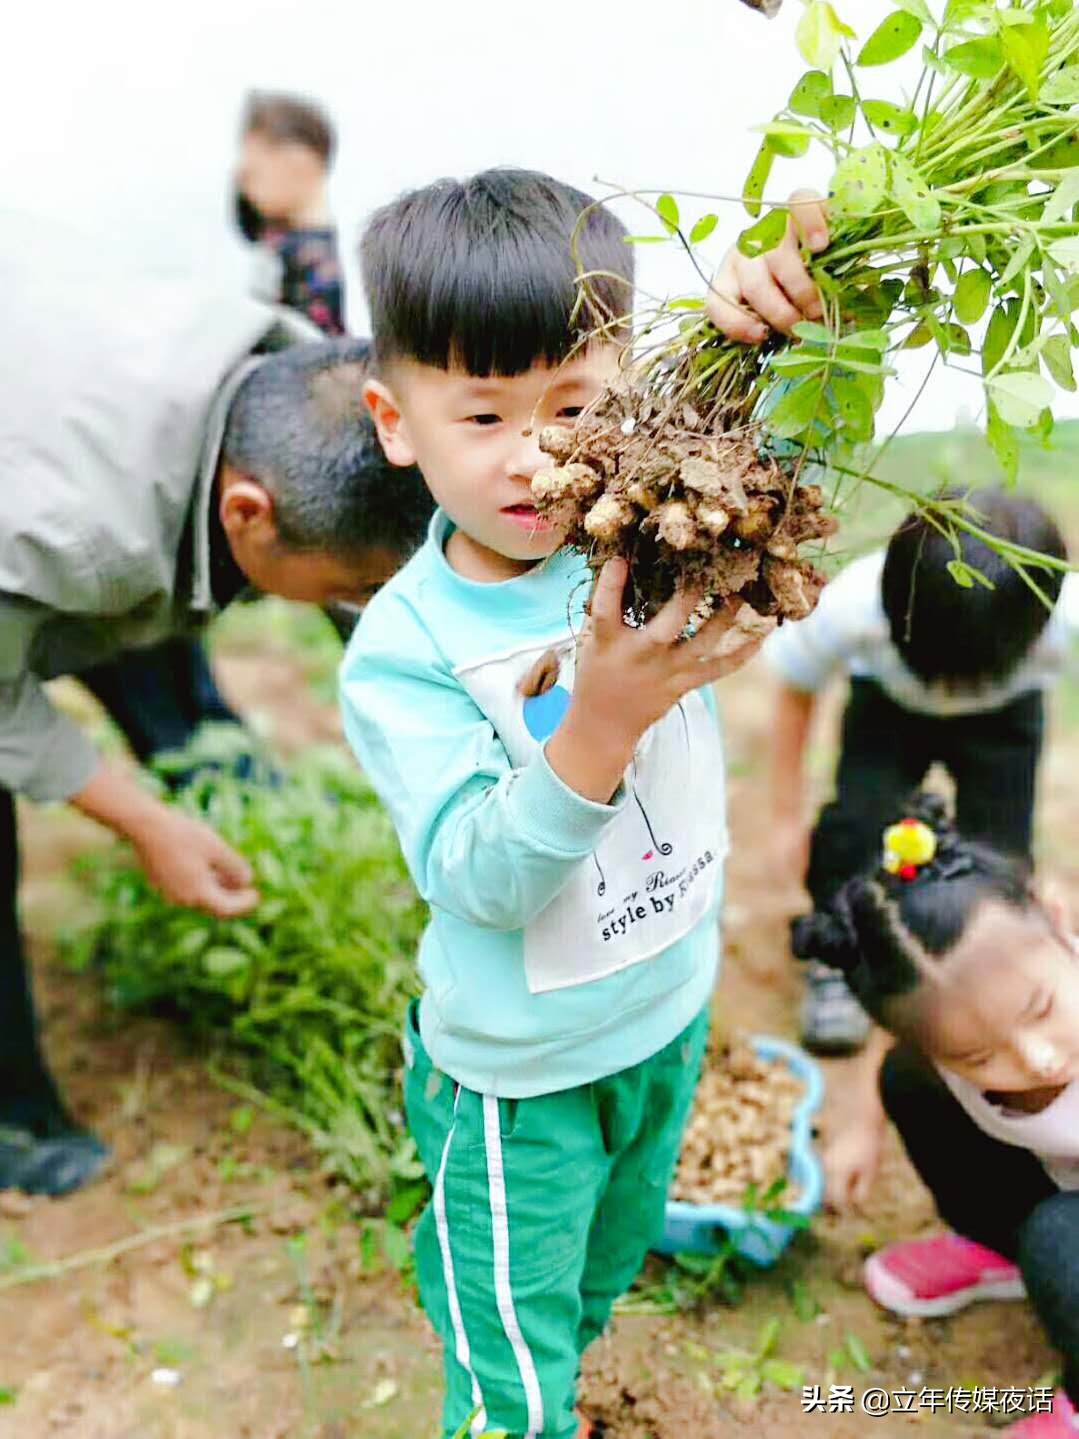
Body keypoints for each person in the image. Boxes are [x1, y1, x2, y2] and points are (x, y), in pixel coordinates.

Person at [340, 167, 828, 1439]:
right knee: (511, 1367)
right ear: (396, 421)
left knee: (595, 1282)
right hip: (521, 1082)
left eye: (573, 405)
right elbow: (475, 876)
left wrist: (757, 326)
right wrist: (598, 722)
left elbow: (726, 437)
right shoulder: (407, 651)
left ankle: (511, 1306)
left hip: (664, 1022)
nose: (535, 454)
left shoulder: (641, 531)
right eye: (483, 413)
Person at [0, 245, 432, 1197]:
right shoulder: (64, 529)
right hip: (35, 489)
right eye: (354, 587)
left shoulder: (289, 371)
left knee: (164, 638)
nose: (359, 604)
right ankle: (15, 1123)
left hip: (70, 413)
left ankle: (234, 824)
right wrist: (144, 825)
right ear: (248, 509)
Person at [795, 794, 1079, 1438]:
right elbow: (898, 1051)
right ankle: (997, 1246)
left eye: (1039, 1009)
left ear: (1060, 920)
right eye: (979, 1054)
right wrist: (860, 1127)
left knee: (1059, 1236)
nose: (1035, 1059)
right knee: (906, 1081)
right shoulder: (938, 1037)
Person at [763, 491, 1078, 1055]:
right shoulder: (851, 607)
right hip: (889, 710)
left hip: (1004, 720)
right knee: (856, 828)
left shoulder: (1058, 610)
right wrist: (786, 816)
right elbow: (796, 688)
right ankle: (843, 955)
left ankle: (991, 955)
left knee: (999, 845)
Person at [234, 91, 346, 337]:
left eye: (253, 172)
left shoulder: (314, 260)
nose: (242, 182)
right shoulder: (280, 244)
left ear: (300, 162)